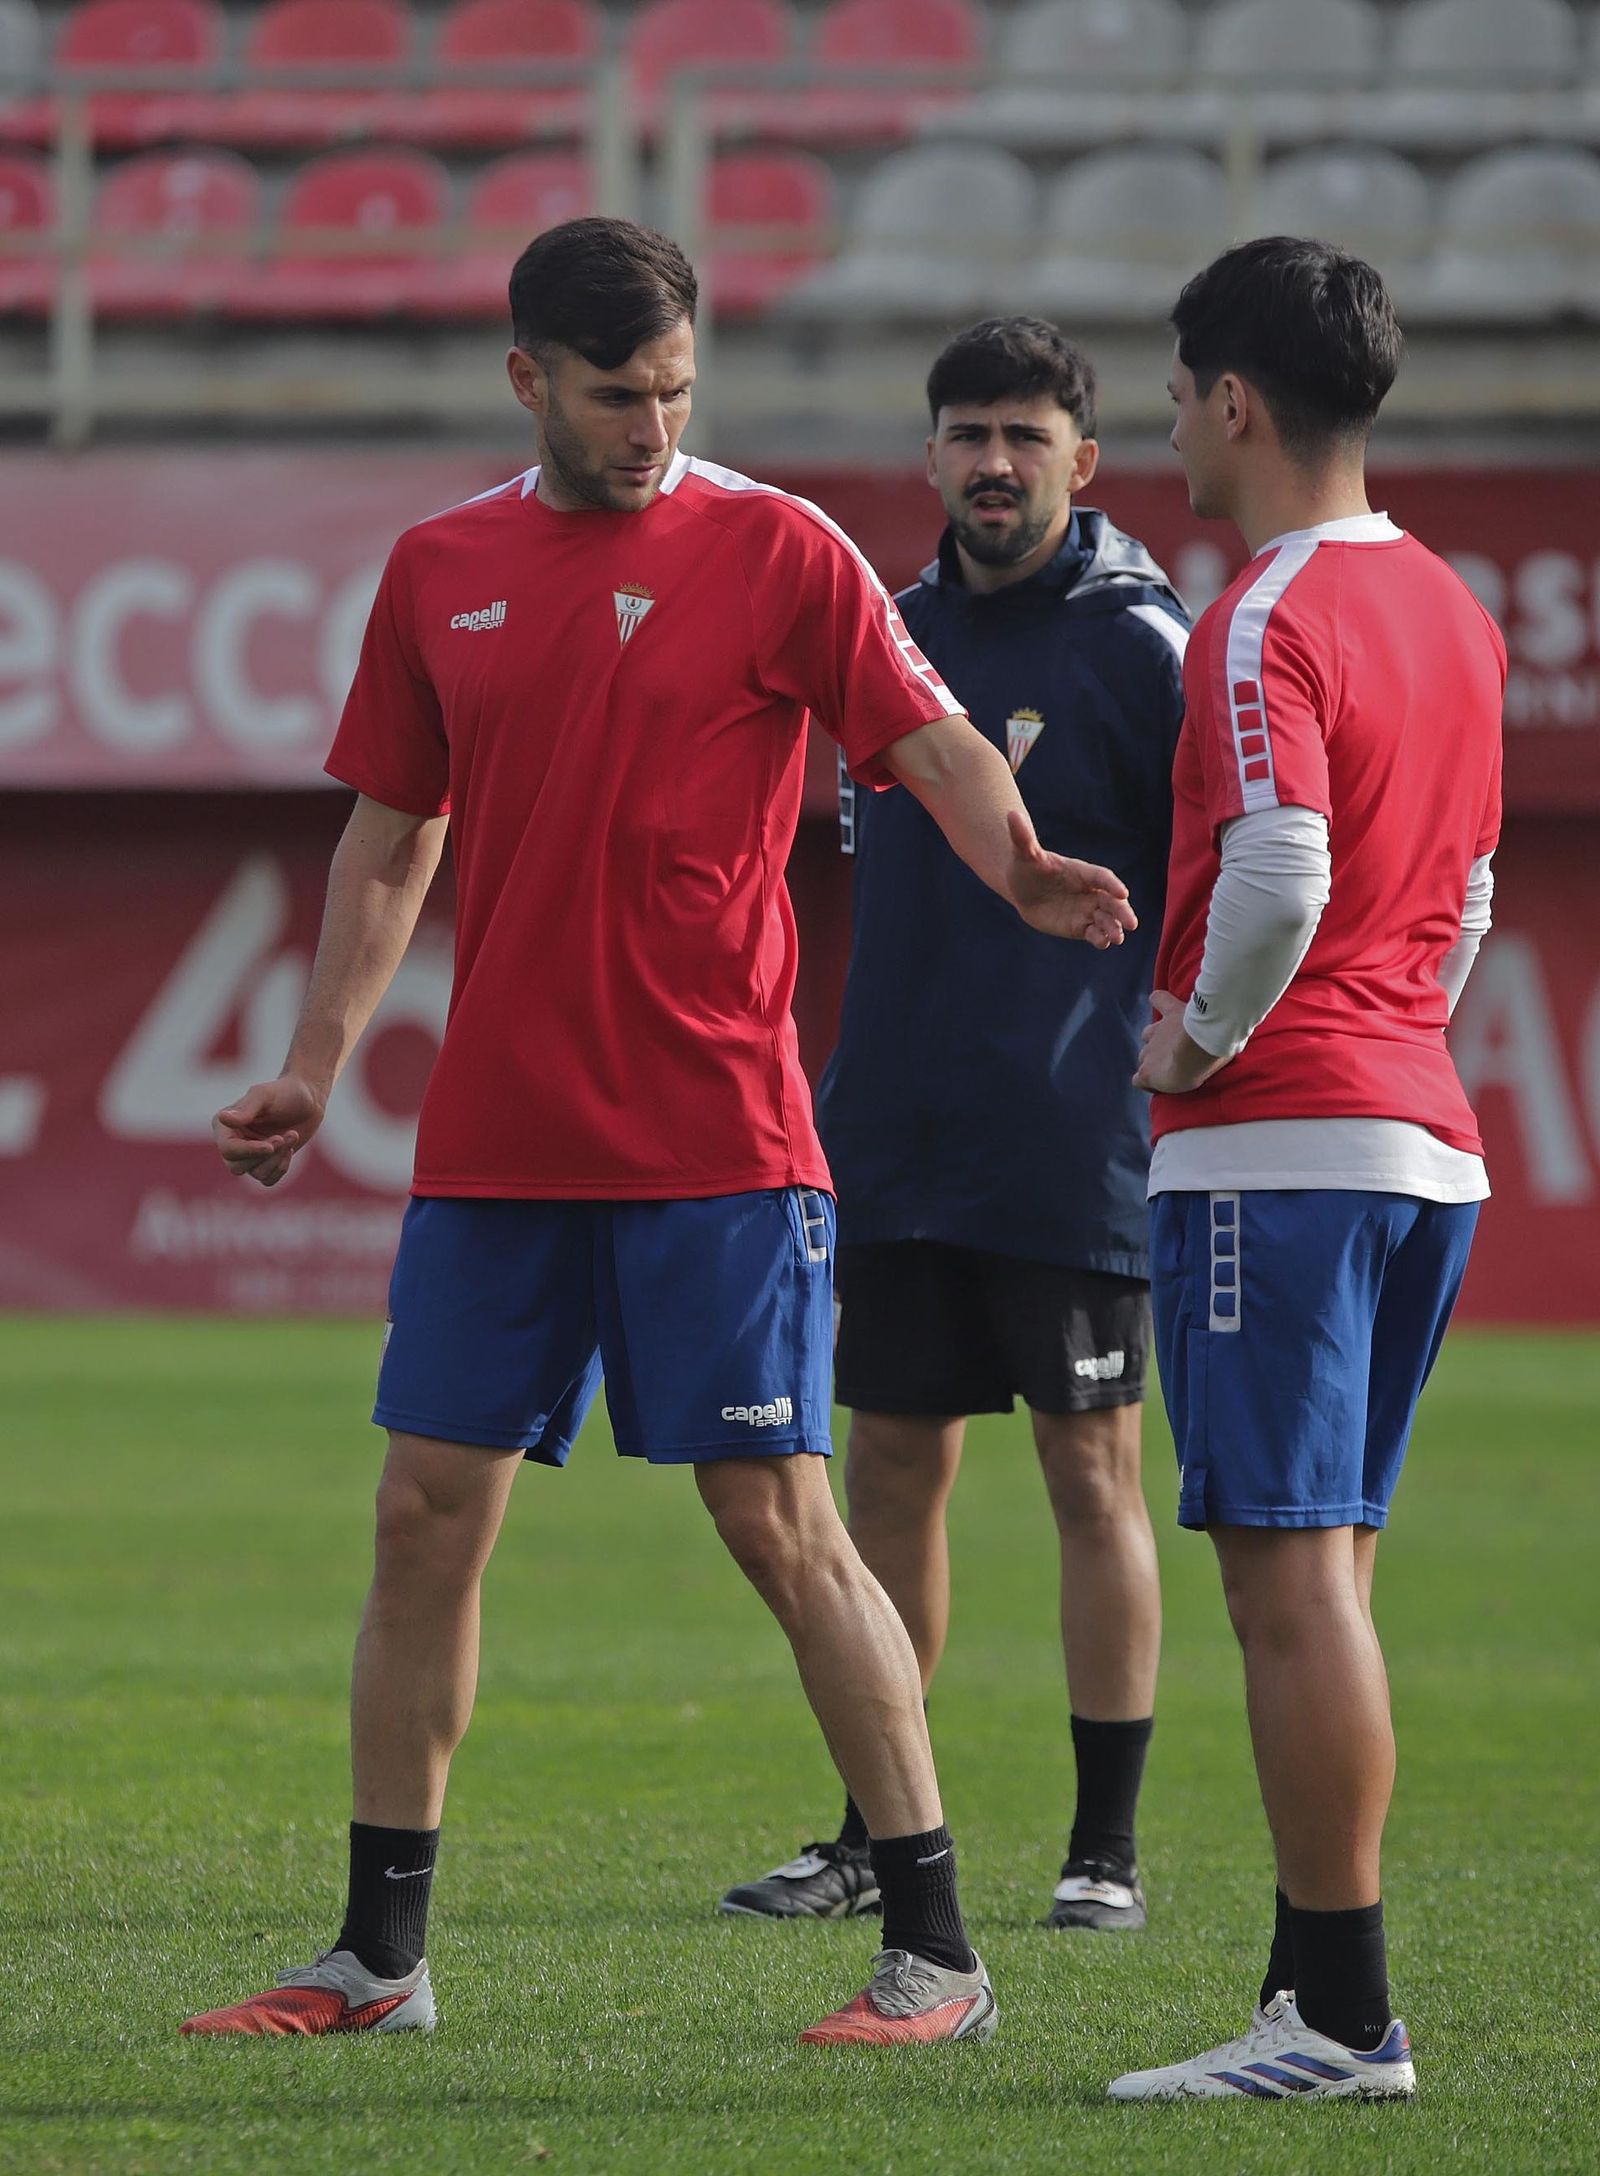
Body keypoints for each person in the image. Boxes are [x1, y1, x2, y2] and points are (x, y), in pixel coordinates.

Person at [178, 218, 1137, 2048]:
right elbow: (391, 838)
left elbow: (929, 744)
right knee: (419, 1521)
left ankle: (938, 1955)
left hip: (718, 1138)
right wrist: (313, 1062)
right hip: (496, 1146)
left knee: (780, 1521)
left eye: (682, 390)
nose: (655, 425)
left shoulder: (778, 546)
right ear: (526, 378)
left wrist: (1016, 867)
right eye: (621, 395)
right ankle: (381, 1959)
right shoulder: (438, 566)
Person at [719, 318, 1188, 1934]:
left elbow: (1215, 883)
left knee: (1089, 1477)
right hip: (894, 1136)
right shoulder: (883, 629)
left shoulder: (1142, 645)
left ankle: (1102, 1853)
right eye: (967, 433)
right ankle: (874, 1834)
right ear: (927, 456)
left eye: (1025, 435)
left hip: (1072, 1142)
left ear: (1085, 460)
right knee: (891, 1477)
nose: (994, 462)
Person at [1106, 237, 1503, 2102]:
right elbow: (1473, 892)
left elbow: (1279, 874)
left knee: (1285, 1585)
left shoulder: (1266, 612)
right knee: (1325, 1575)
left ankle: (1341, 2020)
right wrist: (1388, 1029)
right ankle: (1311, 1990)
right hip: (1413, 1133)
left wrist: (1195, 1042)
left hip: (1284, 1146)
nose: (1168, 427)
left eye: (1177, 395)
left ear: (1236, 402)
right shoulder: (1451, 605)